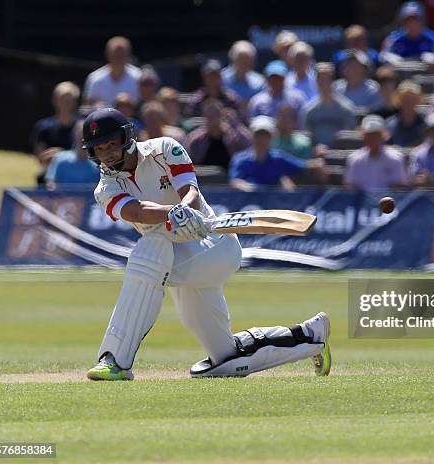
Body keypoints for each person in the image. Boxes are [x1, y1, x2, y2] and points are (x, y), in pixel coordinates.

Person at [82, 107, 331, 380]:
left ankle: (115, 360)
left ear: (127, 137)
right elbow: (137, 211)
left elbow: (189, 190)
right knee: (227, 358)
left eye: (111, 144)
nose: (107, 152)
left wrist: (186, 209)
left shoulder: (164, 148)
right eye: (99, 148)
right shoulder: (105, 189)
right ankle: (310, 336)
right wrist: (171, 213)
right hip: (175, 259)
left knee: (148, 250)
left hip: (213, 245)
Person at [229, 116, 326, 192]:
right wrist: (253, 190)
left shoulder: (279, 158)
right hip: (247, 207)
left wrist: (318, 164)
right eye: (258, 135)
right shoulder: (240, 159)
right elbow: (235, 182)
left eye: (265, 136)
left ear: (271, 138)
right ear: (252, 136)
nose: (261, 139)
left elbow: (304, 165)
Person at [343, 115, 408, 191]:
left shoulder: (396, 158)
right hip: (361, 202)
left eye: (376, 135)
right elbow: (350, 188)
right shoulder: (354, 159)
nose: (372, 138)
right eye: (369, 135)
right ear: (363, 136)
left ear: (383, 136)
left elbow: (399, 188)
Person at [300, 62, 357, 147]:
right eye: (319, 80)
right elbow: (307, 136)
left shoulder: (346, 108)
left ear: (332, 81)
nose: (323, 83)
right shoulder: (308, 110)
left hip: (339, 154)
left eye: (326, 79)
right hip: (316, 153)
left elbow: (348, 135)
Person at [184, 99, 252, 171]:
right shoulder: (195, 139)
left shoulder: (232, 136)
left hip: (229, 178)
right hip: (203, 178)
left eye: (215, 115)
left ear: (221, 116)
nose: (212, 119)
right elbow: (189, 161)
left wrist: (235, 125)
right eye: (209, 116)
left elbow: (248, 144)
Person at [381, 1, 434, 65]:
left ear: (422, 20)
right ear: (402, 21)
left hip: (427, 74)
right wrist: (389, 57)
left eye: (415, 19)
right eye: (408, 20)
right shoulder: (392, 39)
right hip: (401, 73)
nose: (412, 23)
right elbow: (382, 57)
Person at [83, 36, 141, 106]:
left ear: (128, 55)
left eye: (121, 54)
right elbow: (86, 107)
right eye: (115, 54)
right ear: (108, 54)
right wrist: (96, 107)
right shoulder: (95, 78)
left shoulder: (139, 77)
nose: (118, 58)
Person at [44, 121, 100, 189]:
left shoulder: (97, 166)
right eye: (80, 133)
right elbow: (50, 184)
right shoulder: (59, 158)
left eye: (85, 133)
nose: (82, 137)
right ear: (74, 135)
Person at [31, 81, 81, 155]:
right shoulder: (43, 126)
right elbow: (40, 157)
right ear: (54, 100)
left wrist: (62, 155)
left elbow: (85, 155)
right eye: (62, 99)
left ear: (75, 102)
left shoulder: (82, 127)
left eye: (69, 100)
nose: (66, 103)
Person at [385, 80, 426, 147]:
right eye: (405, 99)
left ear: (417, 101)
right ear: (399, 101)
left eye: (412, 99)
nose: (408, 102)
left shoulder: (425, 124)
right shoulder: (389, 125)